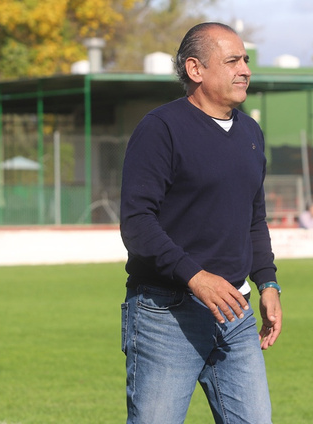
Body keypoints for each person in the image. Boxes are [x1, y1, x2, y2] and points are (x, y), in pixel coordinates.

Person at [119, 22, 282, 424]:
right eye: (232, 61)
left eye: (245, 59)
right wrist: (196, 277)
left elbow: (253, 217)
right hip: (166, 312)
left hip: (236, 313)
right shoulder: (161, 129)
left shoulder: (251, 132)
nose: (244, 69)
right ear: (195, 70)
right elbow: (137, 223)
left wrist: (268, 282)